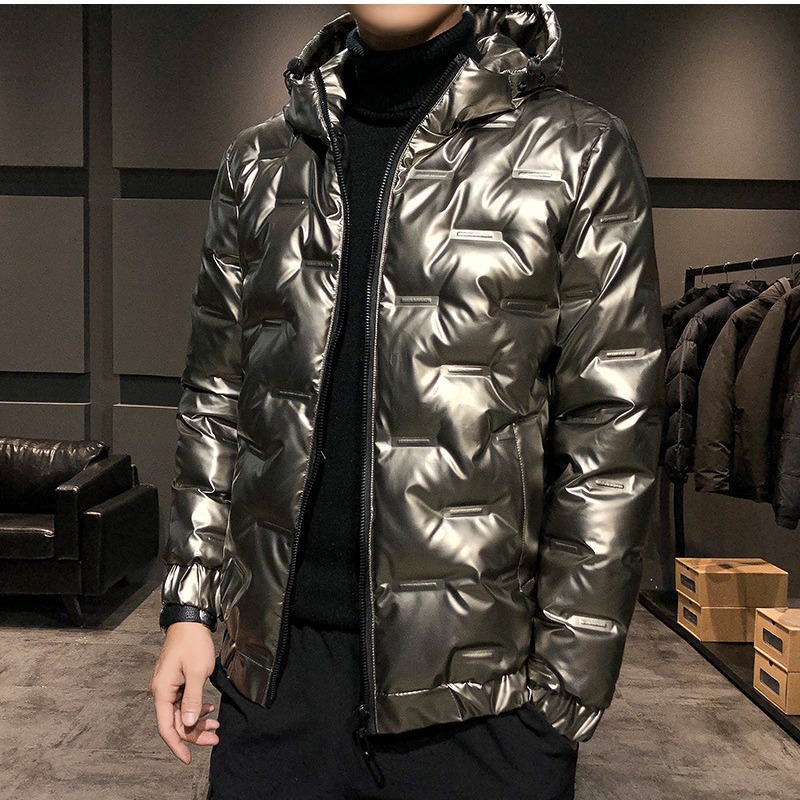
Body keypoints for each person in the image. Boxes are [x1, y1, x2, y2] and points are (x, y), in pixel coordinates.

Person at [149, 4, 665, 799]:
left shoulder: (578, 152)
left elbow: (610, 438)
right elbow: (217, 399)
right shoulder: (259, 163)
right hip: (278, 687)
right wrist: (190, 607)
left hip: (482, 708)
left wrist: (563, 695)